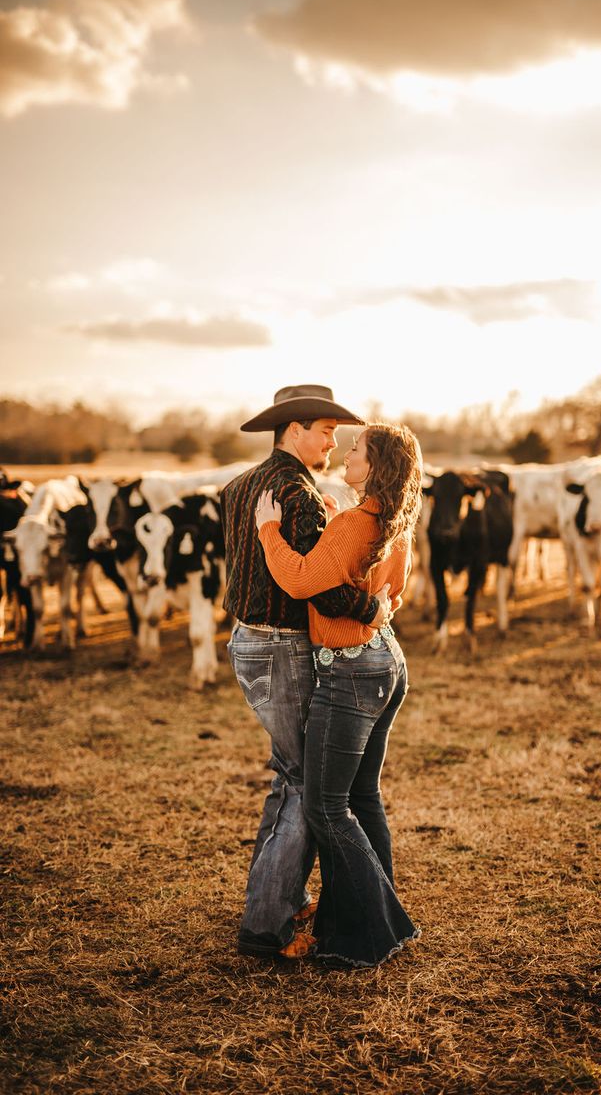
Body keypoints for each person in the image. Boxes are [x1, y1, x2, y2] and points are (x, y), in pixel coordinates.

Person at [221, 385, 391, 960]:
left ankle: (275, 910)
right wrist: (373, 608)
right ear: (293, 430)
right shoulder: (298, 494)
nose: (333, 442)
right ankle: (267, 926)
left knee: (291, 777)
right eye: (325, 430)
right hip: (282, 648)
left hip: (246, 640)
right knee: (303, 783)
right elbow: (315, 585)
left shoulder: (239, 486)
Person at [254, 421, 423, 969]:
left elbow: (303, 580)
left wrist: (268, 533)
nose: (347, 453)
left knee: (328, 807)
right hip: (385, 662)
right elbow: (391, 590)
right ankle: (375, 911)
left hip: (349, 672)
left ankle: (373, 930)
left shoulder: (354, 524)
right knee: (362, 798)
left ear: (376, 467)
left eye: (358, 449)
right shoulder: (394, 523)